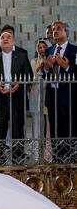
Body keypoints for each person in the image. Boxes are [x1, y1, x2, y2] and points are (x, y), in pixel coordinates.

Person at [0, 30, 33, 165]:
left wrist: (19, 85)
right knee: (0, 129)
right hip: (0, 100)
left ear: (13, 41)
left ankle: (18, 158)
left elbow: (29, 77)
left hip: (17, 98)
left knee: (17, 129)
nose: (5, 39)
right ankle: (0, 159)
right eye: (3, 37)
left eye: (8, 37)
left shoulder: (21, 57)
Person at [43, 21, 77, 163]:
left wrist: (66, 66)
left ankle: (72, 161)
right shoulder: (49, 51)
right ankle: (58, 161)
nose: (54, 31)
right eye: (53, 29)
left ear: (66, 33)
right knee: (55, 131)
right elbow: (45, 75)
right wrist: (46, 68)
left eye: (58, 29)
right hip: (53, 96)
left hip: (69, 97)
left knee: (70, 129)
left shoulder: (74, 50)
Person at [29, 40, 50, 160]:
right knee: (36, 125)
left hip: (47, 95)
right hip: (35, 95)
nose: (42, 49)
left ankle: (47, 154)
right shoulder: (33, 61)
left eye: (44, 47)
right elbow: (32, 78)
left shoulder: (50, 61)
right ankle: (36, 155)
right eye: (40, 47)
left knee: (47, 126)